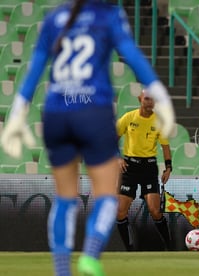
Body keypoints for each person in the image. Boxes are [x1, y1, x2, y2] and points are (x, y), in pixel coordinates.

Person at [0, 1, 175, 275]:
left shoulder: (55, 16)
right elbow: (132, 55)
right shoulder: (108, 14)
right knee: (106, 197)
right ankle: (90, 256)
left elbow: (35, 67)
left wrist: (17, 113)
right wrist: (161, 95)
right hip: (94, 111)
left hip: (57, 112)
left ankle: (61, 269)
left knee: (65, 199)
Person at [116, 89, 172, 251]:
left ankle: (169, 246)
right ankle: (129, 249)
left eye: (152, 99)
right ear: (140, 99)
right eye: (146, 98)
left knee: (155, 211)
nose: (149, 102)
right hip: (129, 167)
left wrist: (168, 168)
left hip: (149, 167)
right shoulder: (129, 117)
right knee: (120, 212)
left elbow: (165, 147)